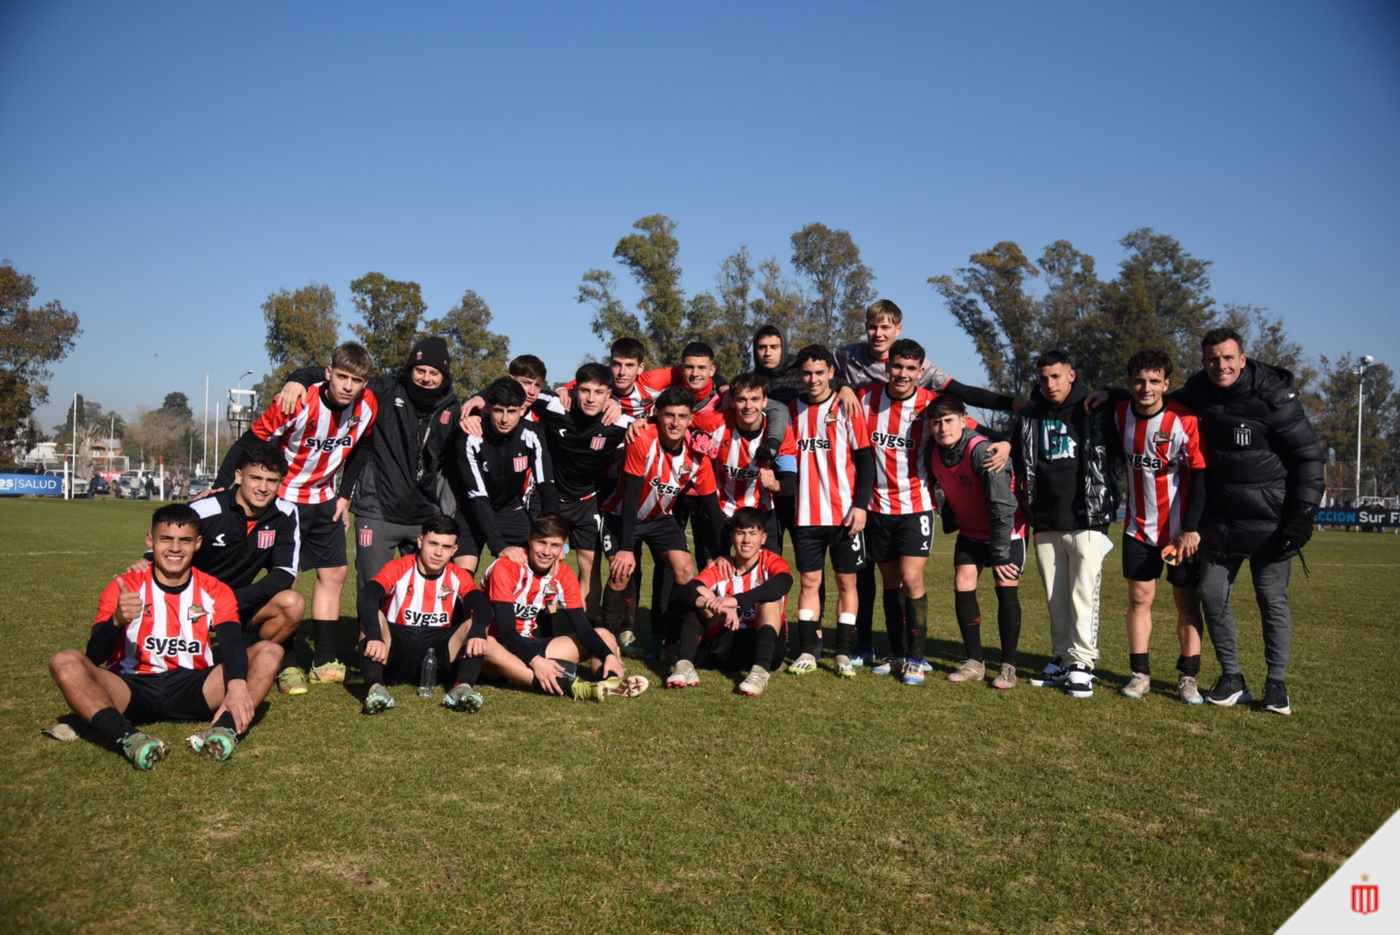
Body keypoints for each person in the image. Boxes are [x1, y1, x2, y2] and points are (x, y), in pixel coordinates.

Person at [835, 299, 1021, 665]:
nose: (902, 374)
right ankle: (896, 653)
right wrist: (842, 385)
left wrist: (1005, 439)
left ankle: (917, 659)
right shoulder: (865, 398)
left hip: (915, 506)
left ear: (920, 372)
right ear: (887, 367)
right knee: (890, 585)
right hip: (875, 507)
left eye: (910, 369)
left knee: (912, 581)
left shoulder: (930, 406)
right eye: (897, 367)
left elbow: (970, 430)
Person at [47, 505, 285, 769]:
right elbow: (93, 657)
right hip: (131, 686)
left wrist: (238, 684)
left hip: (195, 687)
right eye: (166, 539)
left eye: (184, 540)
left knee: (270, 652)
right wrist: (116, 621)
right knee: (64, 660)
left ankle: (223, 730)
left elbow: (231, 642)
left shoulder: (215, 589)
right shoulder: (125, 586)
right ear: (150, 541)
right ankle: (128, 737)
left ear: (198, 543)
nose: (175, 548)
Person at [1172, 328, 1323, 715]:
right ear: (1203, 363)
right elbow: (1156, 401)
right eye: (1211, 360)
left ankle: (1277, 685)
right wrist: (1112, 396)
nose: (1219, 366)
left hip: (1271, 521)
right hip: (1218, 520)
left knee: (1271, 600)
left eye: (1227, 358)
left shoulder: (1275, 398)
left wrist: (1303, 517)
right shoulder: (1197, 392)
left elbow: (1309, 459)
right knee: (1210, 593)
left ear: (1242, 359)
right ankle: (1233, 678)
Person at [214, 342, 379, 690]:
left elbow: (362, 447)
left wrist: (345, 495)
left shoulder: (367, 406)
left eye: (358, 380)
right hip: (285, 499)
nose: (349, 386)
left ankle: (323, 659)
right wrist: (219, 486)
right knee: (285, 578)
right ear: (329, 373)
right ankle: (285, 662)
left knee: (334, 574)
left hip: (325, 497)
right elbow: (250, 440)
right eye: (343, 377)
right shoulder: (297, 401)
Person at [277, 336, 462, 601]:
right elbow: (342, 374)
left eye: (434, 373)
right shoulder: (386, 388)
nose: (426, 378)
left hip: (424, 515)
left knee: (422, 596)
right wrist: (298, 378)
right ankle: (369, 643)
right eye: (420, 370)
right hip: (377, 511)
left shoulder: (452, 408)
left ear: (444, 376)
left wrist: (478, 403)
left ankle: (411, 643)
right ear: (410, 370)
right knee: (372, 594)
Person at [128, 442, 304, 692]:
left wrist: (229, 600)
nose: (263, 488)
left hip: (238, 601)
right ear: (239, 476)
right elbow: (172, 537)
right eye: (256, 478)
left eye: (272, 480)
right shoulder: (207, 508)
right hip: (192, 604)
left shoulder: (285, 513)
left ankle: (253, 659)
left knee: (292, 603)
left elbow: (285, 573)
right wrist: (146, 558)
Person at [1012, 350, 1119, 699]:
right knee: (1056, 597)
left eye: (1056, 376)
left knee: (1083, 594)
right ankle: (1063, 657)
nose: (1050, 384)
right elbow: (1017, 454)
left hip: (1086, 517)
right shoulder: (1030, 414)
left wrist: (1117, 392)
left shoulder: (1094, 408)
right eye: (1044, 378)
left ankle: (1083, 664)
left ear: (1071, 375)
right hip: (1044, 519)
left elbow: (1143, 399)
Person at [1109, 350, 1209, 704]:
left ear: (1166, 384)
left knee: (1186, 602)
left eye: (1154, 381)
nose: (1146, 387)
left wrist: (1192, 528)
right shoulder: (1119, 415)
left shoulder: (1184, 420)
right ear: (1129, 383)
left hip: (1180, 533)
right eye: (1139, 380)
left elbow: (1199, 476)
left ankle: (1188, 677)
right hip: (1137, 527)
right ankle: (1140, 674)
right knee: (1139, 599)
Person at [597, 386, 725, 652]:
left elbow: (712, 508)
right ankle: (607, 643)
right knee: (621, 572)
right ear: (658, 415)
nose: (675, 422)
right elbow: (631, 496)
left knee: (685, 570)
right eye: (669, 415)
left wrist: (721, 553)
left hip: (659, 519)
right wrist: (625, 548)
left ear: (691, 419)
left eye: (682, 416)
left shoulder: (698, 453)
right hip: (620, 516)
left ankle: (672, 639)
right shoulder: (642, 439)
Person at [473, 513, 649, 701]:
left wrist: (609, 655)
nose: (547, 552)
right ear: (529, 539)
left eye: (555, 545)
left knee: (605, 636)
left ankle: (610, 681)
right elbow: (507, 631)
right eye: (541, 543)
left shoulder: (564, 574)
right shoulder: (507, 567)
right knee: (488, 644)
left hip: (528, 642)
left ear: (563, 546)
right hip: (497, 647)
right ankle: (575, 688)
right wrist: (536, 661)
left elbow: (582, 628)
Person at [926, 394, 1028, 689]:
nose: (943, 428)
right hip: (971, 532)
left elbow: (1001, 506)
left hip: (1005, 531)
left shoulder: (982, 451)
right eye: (937, 422)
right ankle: (975, 662)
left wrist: (1000, 553)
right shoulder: (932, 451)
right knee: (962, 583)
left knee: (1005, 586)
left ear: (963, 420)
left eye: (948, 421)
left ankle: (1008, 666)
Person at [787, 344, 874, 678]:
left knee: (846, 582)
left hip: (844, 516)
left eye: (819, 373)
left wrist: (862, 506)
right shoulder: (792, 409)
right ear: (800, 375)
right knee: (809, 582)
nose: (813, 379)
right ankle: (808, 650)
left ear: (831, 374)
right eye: (807, 373)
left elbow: (865, 460)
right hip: (806, 516)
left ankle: (843, 653)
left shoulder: (846, 407)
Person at [526, 363, 633, 621]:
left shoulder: (622, 422)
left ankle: (585, 633)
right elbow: (517, 390)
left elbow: (654, 428)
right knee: (544, 565)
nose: (591, 398)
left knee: (590, 569)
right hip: (549, 499)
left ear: (609, 395)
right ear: (575, 390)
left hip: (587, 502)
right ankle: (544, 629)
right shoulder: (556, 405)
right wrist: (476, 399)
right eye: (585, 390)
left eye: (598, 392)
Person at [356, 515, 494, 715]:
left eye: (446, 547)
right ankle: (376, 688)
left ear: (454, 550)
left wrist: (479, 631)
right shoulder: (399, 567)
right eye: (433, 543)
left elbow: (481, 605)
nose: (438, 552)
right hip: (397, 648)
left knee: (476, 624)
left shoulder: (458, 575)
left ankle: (462, 687)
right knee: (372, 618)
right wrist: (376, 634)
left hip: (439, 653)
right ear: (420, 542)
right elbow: (368, 595)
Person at [668, 507, 794, 695]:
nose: (746, 540)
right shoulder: (722, 566)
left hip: (765, 644)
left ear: (763, 538)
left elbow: (784, 583)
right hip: (727, 645)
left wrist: (735, 601)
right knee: (701, 597)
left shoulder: (771, 562)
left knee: (771, 600)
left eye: (753, 533)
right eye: (740, 533)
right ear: (731, 537)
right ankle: (684, 666)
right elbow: (685, 592)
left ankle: (760, 673)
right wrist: (716, 606)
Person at [447, 377, 557, 575]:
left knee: (540, 565)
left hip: (510, 511)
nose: (505, 419)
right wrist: (499, 547)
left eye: (512, 411)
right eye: (499, 410)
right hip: (471, 512)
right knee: (462, 577)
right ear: (488, 408)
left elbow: (546, 484)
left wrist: (554, 536)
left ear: (522, 410)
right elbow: (477, 495)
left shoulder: (533, 434)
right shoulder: (470, 436)